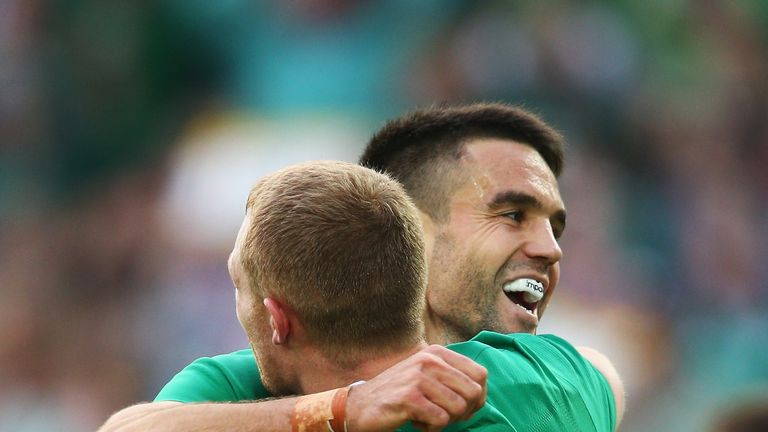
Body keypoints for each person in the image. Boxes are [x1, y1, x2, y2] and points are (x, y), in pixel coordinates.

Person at [100, 103, 624, 431]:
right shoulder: (552, 381)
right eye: (512, 215)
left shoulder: (552, 375)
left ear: (276, 318)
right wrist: (347, 405)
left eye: (555, 226)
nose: (552, 249)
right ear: (412, 232)